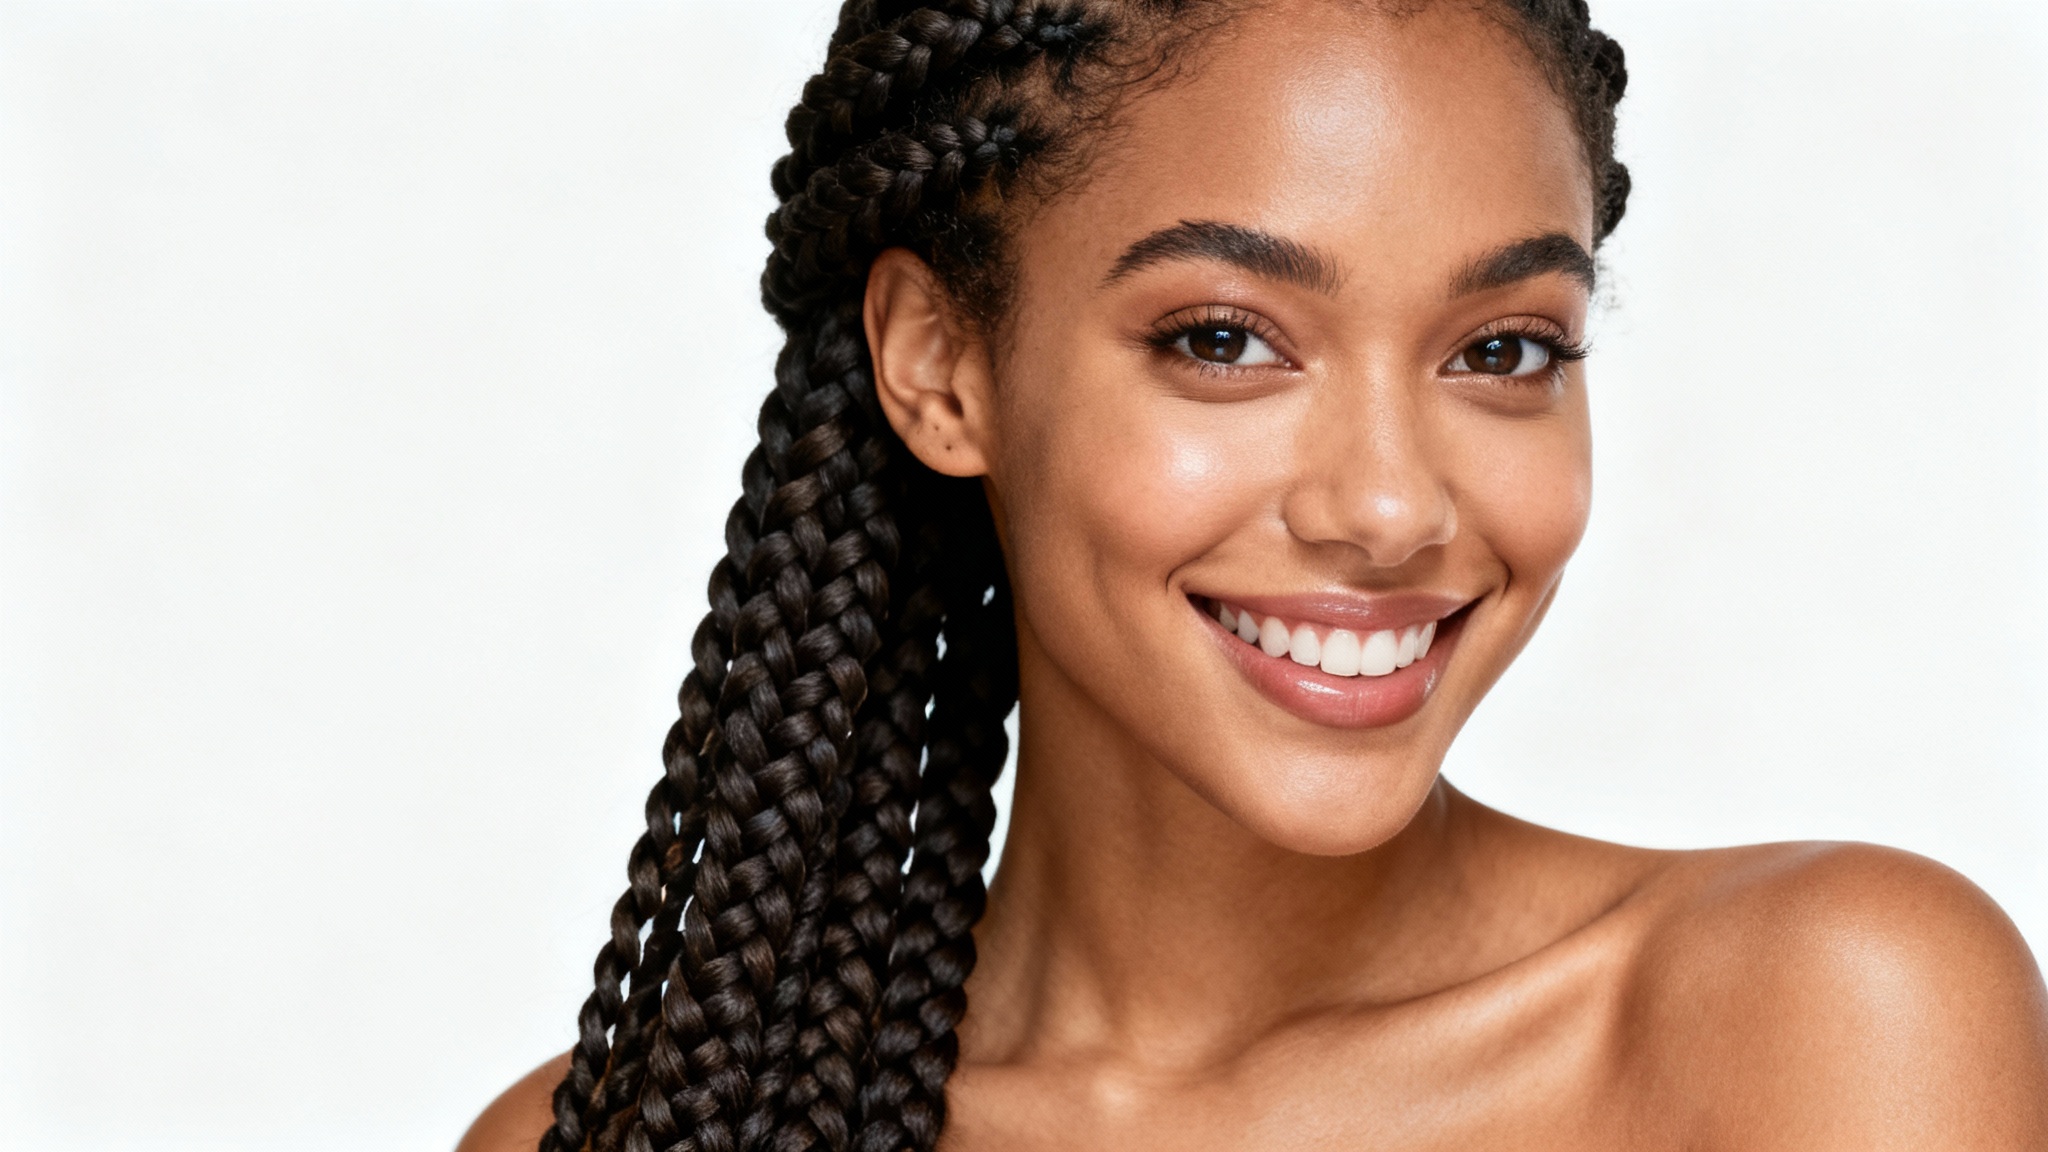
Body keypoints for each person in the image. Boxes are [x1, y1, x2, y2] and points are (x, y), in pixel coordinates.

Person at [461, 0, 2048, 1148]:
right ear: (940, 366)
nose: (1388, 505)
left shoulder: (1822, 1021)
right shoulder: (641, 1133)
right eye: (1223, 341)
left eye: (1503, 351)